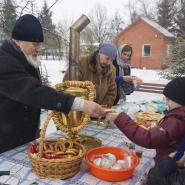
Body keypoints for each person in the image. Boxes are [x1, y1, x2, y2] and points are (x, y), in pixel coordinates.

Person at [0, 14, 105, 153]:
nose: (38, 49)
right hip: (6, 141)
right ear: (19, 41)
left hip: (25, 137)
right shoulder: (4, 62)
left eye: (40, 45)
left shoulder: (26, 58)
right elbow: (33, 92)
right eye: (35, 44)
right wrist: (80, 104)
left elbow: (38, 90)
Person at [106, 77, 185, 160]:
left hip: (168, 164)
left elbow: (148, 138)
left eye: (169, 100)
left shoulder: (177, 119)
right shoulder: (179, 115)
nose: (166, 103)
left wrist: (119, 118)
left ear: (181, 100)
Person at [63, 42, 117, 107]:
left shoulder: (111, 70)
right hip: (79, 110)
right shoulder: (81, 62)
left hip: (98, 112)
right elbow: (69, 85)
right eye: (107, 58)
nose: (109, 62)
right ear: (99, 53)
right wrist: (84, 105)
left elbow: (111, 91)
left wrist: (103, 107)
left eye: (112, 60)